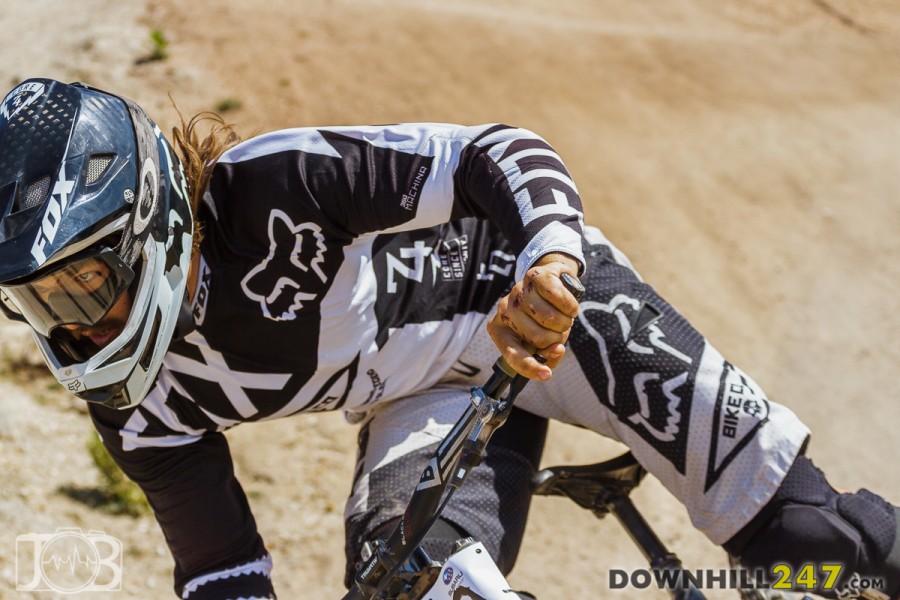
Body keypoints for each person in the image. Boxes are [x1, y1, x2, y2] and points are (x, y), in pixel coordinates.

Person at [0, 78, 896, 600]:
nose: (77, 325)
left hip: (545, 311)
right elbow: (222, 569)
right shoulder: (131, 401)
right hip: (427, 398)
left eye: (84, 281)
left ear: (149, 223)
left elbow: (501, 151)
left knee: (812, 550)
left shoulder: (276, 186)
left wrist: (550, 261)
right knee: (418, 591)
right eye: (37, 304)